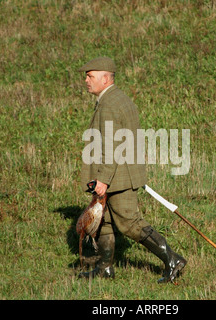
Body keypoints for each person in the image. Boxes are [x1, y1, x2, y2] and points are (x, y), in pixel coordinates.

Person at [77, 57, 186, 283]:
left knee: (129, 223)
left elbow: (111, 144)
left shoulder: (109, 104)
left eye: (91, 76)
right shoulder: (120, 98)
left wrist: (103, 179)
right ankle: (105, 268)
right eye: (86, 76)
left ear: (105, 78)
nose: (86, 80)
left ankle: (172, 260)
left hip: (117, 176)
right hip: (121, 172)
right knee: (104, 220)